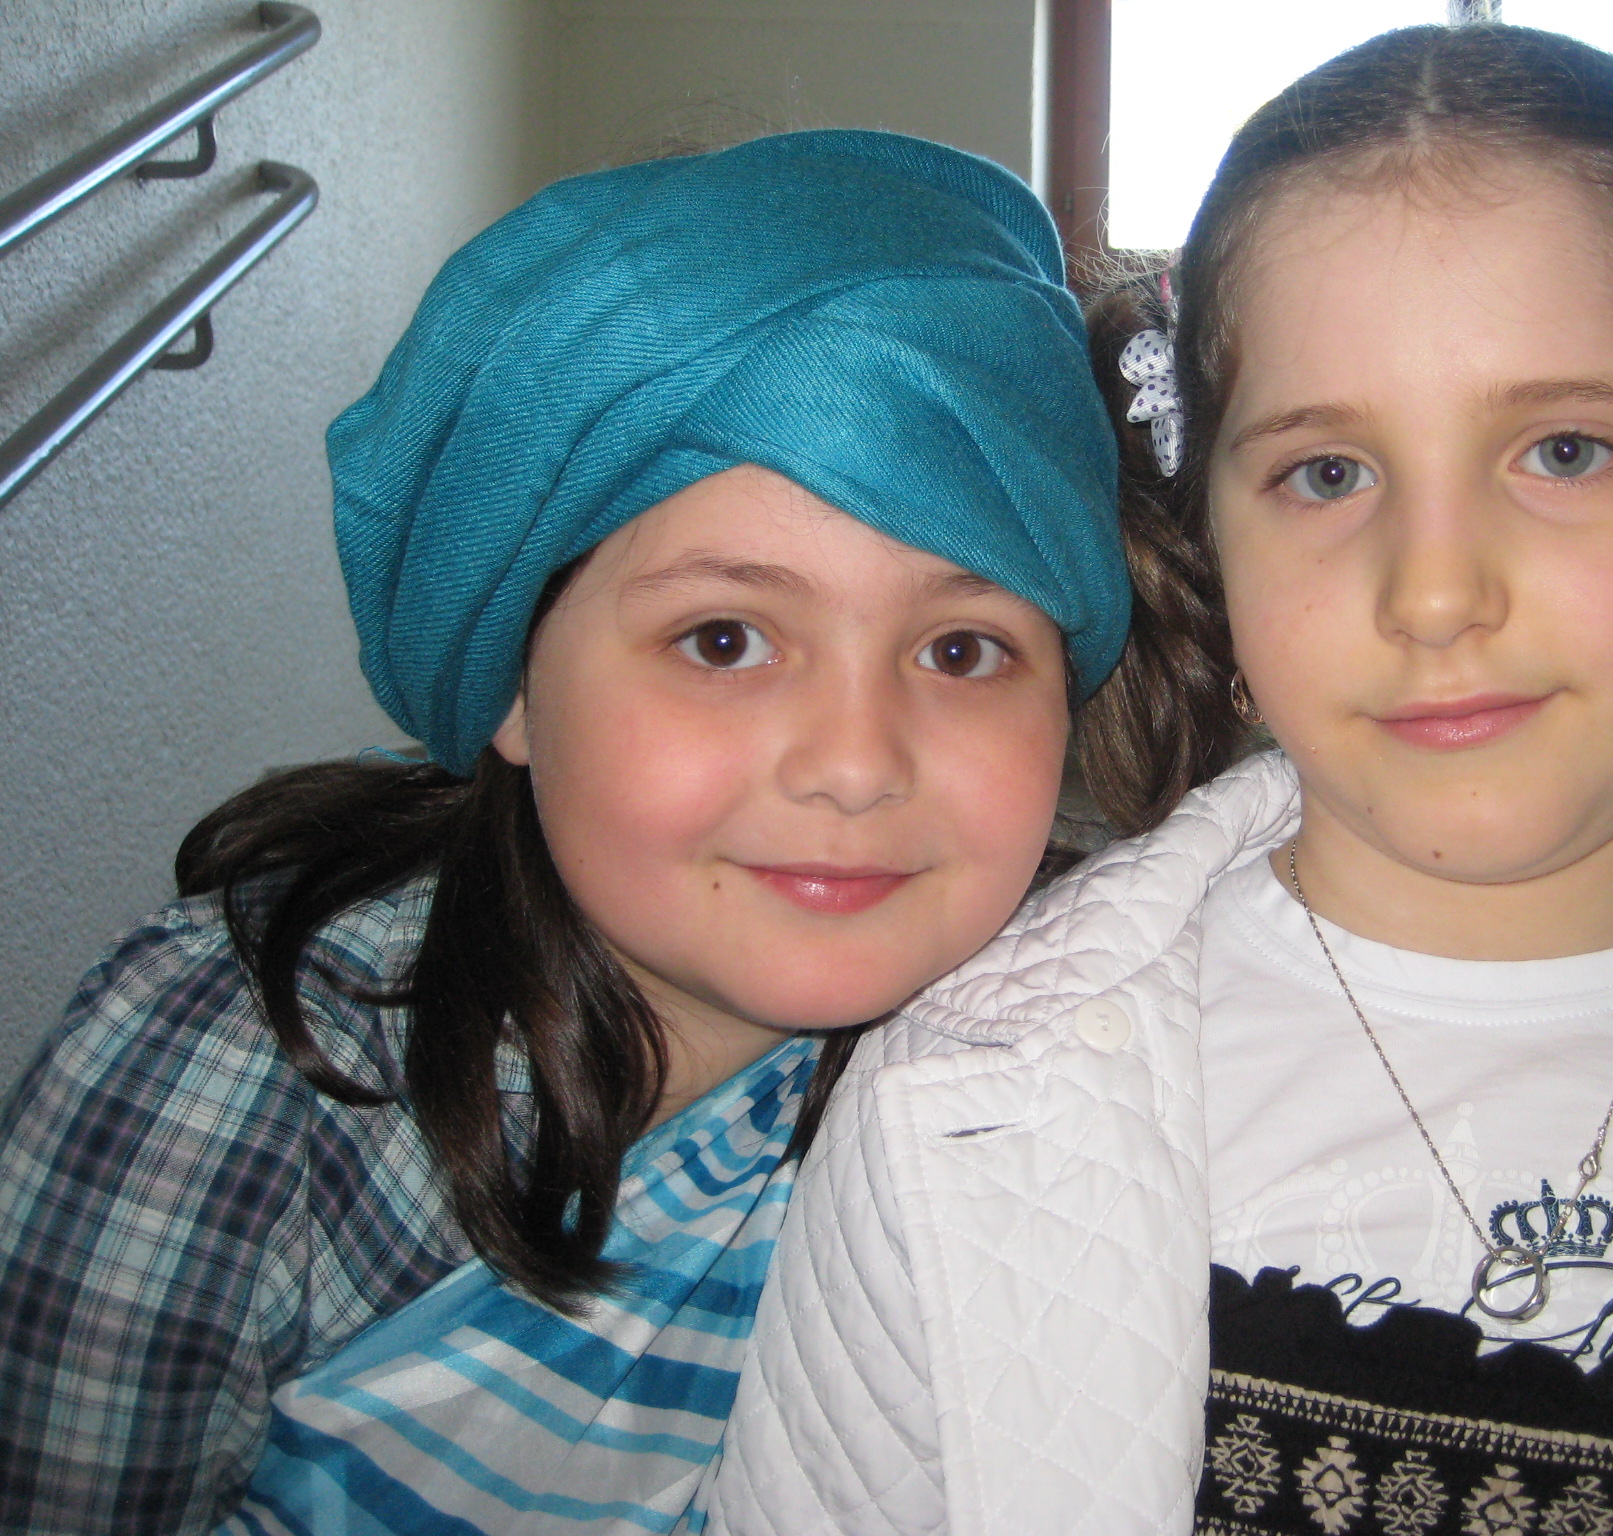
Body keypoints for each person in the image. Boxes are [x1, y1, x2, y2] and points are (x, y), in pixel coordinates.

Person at [704, 27, 1613, 1536]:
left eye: (1565, 450)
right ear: (1216, 547)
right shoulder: (945, 1105)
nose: (1435, 591)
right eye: (1327, 474)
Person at [0, 128, 1125, 1536]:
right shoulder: (240, 1071)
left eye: (961, 652)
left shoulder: (1082, 1044)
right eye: (724, 639)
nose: (855, 765)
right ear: (515, 688)